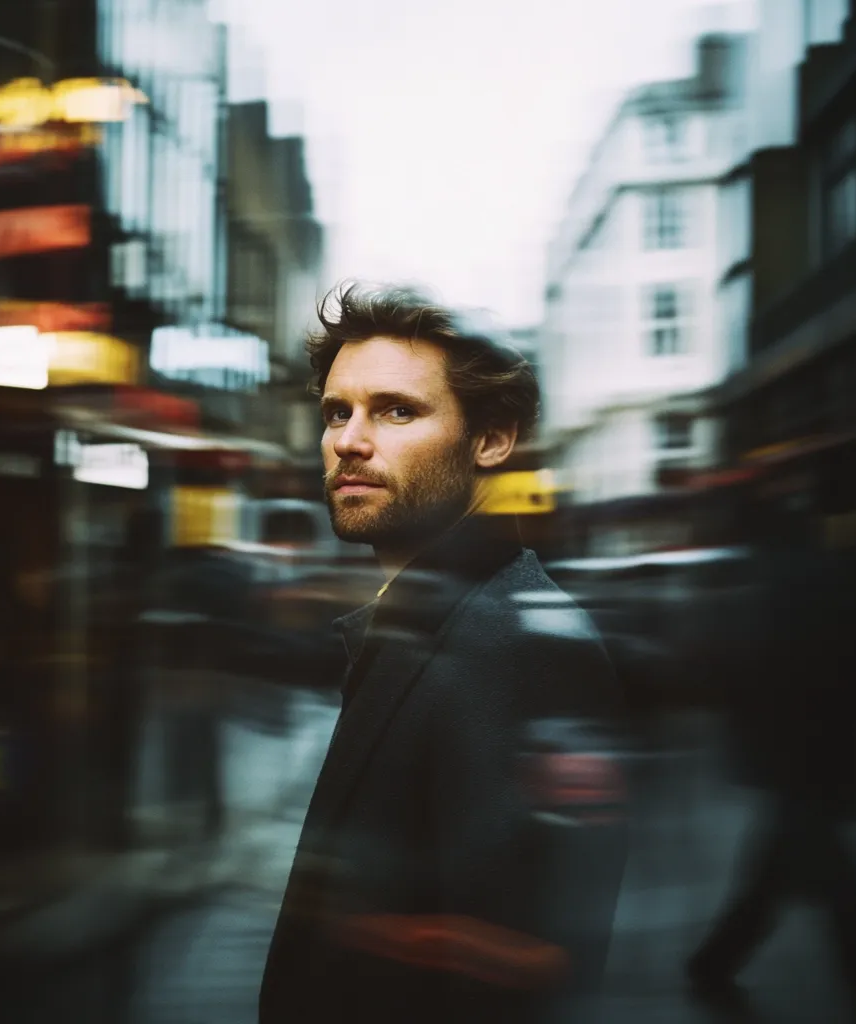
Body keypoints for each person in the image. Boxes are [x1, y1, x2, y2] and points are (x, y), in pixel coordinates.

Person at [259, 284, 628, 1024]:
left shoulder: (516, 646)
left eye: (398, 410)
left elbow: (509, 969)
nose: (349, 441)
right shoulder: (424, 620)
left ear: (491, 439)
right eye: (338, 411)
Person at [686, 492, 856, 1024]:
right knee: (843, 890)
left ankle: (715, 961)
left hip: (795, 756)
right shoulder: (819, 579)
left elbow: (753, 671)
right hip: (816, 756)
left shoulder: (774, 585)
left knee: (782, 868)